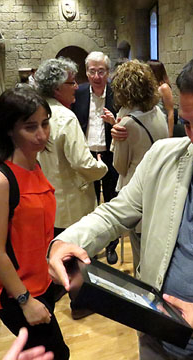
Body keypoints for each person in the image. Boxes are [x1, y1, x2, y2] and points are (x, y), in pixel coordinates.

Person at [48, 48, 193, 360]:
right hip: (154, 337)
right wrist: (67, 241)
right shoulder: (163, 156)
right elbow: (115, 213)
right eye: (187, 123)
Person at [0, 87, 70, 360]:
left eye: (44, 124)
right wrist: (25, 300)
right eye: (31, 127)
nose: (42, 134)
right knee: (55, 354)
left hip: (41, 284)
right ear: (9, 129)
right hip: (16, 292)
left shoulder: (35, 167)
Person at [35, 58, 107, 237]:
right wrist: (100, 167)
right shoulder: (66, 118)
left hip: (45, 204)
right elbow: (82, 163)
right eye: (72, 82)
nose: (76, 86)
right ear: (57, 87)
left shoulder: (34, 111)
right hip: (70, 207)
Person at [111, 59, 169, 268]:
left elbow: (119, 166)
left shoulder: (128, 124)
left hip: (137, 195)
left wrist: (117, 141)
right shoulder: (157, 113)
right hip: (159, 190)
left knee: (139, 259)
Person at [72, 51, 120, 264]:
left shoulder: (117, 93)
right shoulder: (79, 92)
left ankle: (112, 244)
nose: (97, 76)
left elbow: (126, 121)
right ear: (87, 72)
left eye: (101, 71)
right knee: (87, 202)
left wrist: (115, 121)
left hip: (111, 154)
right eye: (92, 71)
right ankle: (89, 245)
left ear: (107, 72)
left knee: (111, 201)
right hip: (86, 154)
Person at [147, 60, 175, 136]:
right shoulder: (150, 88)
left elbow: (170, 112)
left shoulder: (164, 88)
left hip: (161, 126)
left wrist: (170, 134)